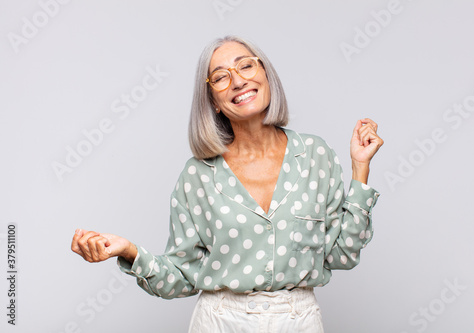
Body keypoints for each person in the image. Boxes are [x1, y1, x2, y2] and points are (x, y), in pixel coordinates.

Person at [71, 35, 384, 332]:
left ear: (265, 75)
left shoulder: (316, 156)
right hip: (220, 322)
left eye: (246, 65)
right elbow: (182, 276)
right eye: (220, 76)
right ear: (214, 102)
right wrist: (129, 251)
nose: (237, 80)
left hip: (298, 321)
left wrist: (360, 167)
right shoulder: (198, 176)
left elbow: (342, 253)